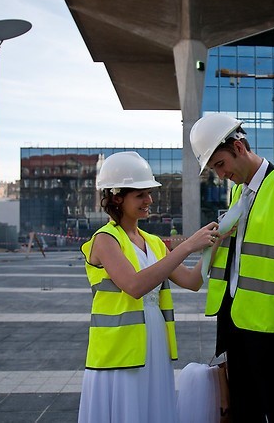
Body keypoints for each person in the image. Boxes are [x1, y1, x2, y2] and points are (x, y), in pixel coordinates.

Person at [190, 113, 274, 422]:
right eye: (214, 169)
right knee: (244, 415)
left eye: (220, 165)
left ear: (238, 148)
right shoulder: (239, 193)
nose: (221, 175)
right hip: (239, 331)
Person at [77, 151, 220, 423]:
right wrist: (187, 245)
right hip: (118, 348)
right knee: (127, 411)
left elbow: (192, 281)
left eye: (149, 193)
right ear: (117, 197)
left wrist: (215, 242)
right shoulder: (105, 240)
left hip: (153, 339)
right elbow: (133, 285)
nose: (149, 200)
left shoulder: (152, 242)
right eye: (141, 194)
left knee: (149, 409)